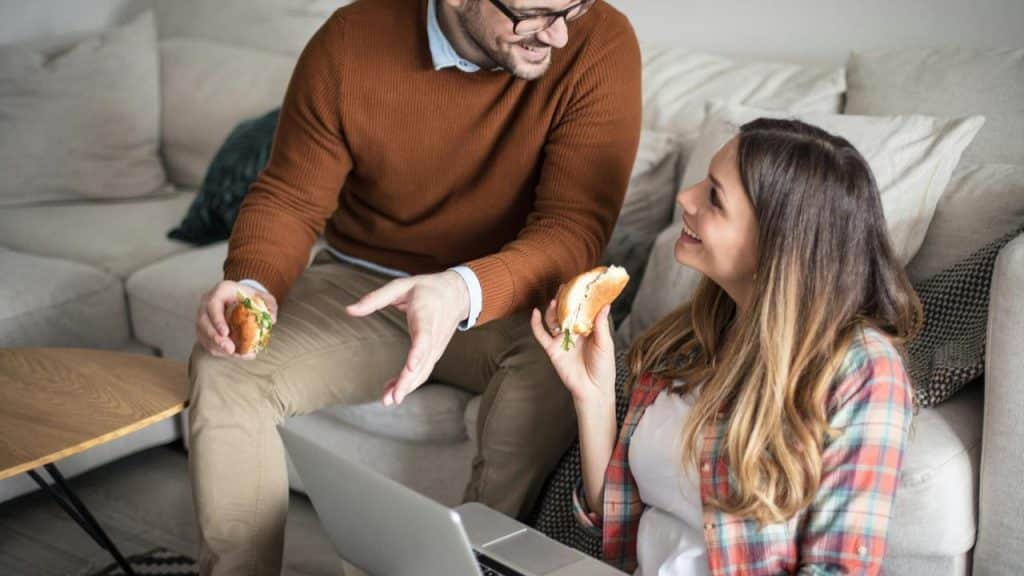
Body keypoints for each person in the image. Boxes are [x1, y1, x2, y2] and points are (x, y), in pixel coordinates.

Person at [187, 0, 641, 573]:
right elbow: (291, 195)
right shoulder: (351, 40)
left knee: (560, 368)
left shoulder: (598, 40)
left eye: (571, 7)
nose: (556, 33)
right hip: (364, 284)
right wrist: (250, 282)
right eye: (535, 12)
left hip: (504, 299)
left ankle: (469, 569)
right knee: (225, 368)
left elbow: (573, 227)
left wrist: (461, 289)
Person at [532, 118, 922, 575]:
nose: (686, 198)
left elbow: (838, 569)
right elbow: (624, 521)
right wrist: (592, 396)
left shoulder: (863, 372)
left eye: (714, 198)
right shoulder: (689, 339)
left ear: (778, 244)